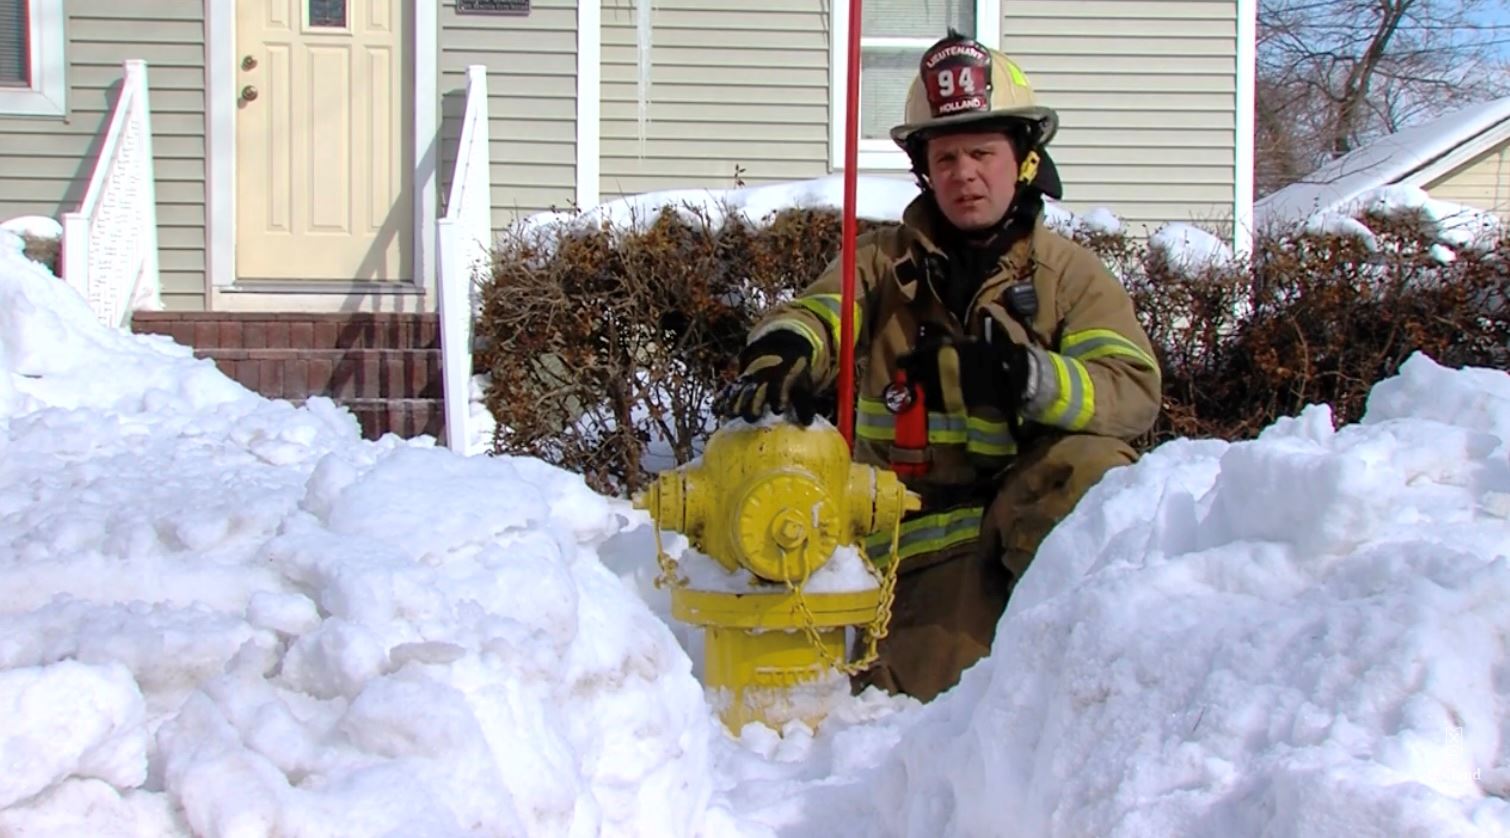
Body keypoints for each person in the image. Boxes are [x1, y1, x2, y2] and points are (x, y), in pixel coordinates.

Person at [713, 31, 1162, 702]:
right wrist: (789, 348)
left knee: (1093, 474)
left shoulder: (1070, 276)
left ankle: (1106, 655)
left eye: (983, 152)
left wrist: (1027, 379)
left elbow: (1132, 393)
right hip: (916, 553)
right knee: (943, 709)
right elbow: (820, 311)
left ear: (1026, 161)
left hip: (1033, 541)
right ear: (924, 170)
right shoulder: (879, 263)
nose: (964, 173)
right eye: (945, 156)